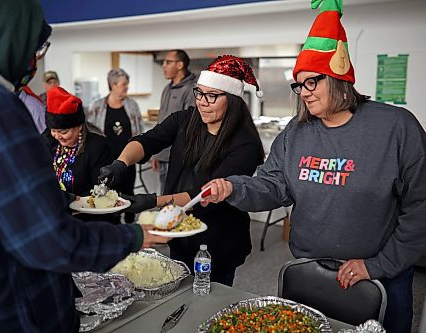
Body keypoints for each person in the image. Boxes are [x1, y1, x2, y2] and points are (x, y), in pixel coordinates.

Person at [0, 1, 168, 331]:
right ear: (10, 37)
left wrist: (64, 200)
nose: (36, 58)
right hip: (8, 310)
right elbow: (50, 243)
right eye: (35, 44)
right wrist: (135, 236)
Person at [200, 1, 426, 332]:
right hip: (309, 274)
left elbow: (420, 205)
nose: (303, 93)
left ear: (338, 78)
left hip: (380, 276)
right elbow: (273, 185)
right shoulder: (297, 131)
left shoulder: (395, 128)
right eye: (299, 84)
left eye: (312, 82)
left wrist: (379, 264)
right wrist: (233, 187)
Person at [100, 55, 265, 286]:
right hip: (180, 230)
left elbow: (205, 193)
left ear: (233, 99)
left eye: (212, 96)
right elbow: (147, 141)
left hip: (219, 239)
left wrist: (152, 201)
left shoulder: (244, 144)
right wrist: (121, 163)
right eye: (200, 93)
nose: (202, 102)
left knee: (211, 299)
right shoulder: (185, 120)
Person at [41, 86, 118, 224]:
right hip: (52, 218)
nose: (58, 136)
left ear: (79, 126)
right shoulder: (47, 141)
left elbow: (101, 190)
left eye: (63, 132)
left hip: (87, 220)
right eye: (53, 130)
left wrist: (73, 202)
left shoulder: (98, 147)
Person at [86, 68, 143, 223]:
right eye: (124, 84)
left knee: (129, 190)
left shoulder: (132, 105)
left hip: (128, 157)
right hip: (106, 159)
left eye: (127, 83)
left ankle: (131, 220)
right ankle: (114, 223)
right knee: (111, 191)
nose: (127, 87)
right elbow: (90, 132)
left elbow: (140, 129)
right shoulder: (97, 106)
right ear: (113, 84)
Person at [152, 50, 197, 194]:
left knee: (177, 199)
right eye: (163, 62)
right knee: (165, 196)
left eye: (168, 62)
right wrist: (155, 153)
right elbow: (161, 122)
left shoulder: (191, 90)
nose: (163, 66)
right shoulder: (167, 88)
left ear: (180, 65)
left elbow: (189, 126)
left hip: (179, 157)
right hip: (163, 154)